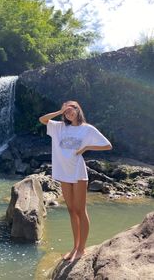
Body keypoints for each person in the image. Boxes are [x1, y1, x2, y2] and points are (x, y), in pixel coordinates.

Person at [39, 100, 112, 263]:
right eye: (66, 112)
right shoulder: (59, 127)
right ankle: (75, 246)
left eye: (71, 110)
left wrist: (86, 148)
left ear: (78, 110)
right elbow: (42, 120)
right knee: (71, 210)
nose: (68, 114)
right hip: (64, 173)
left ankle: (81, 248)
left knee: (80, 210)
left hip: (78, 172)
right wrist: (60, 111)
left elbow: (107, 145)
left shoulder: (87, 129)